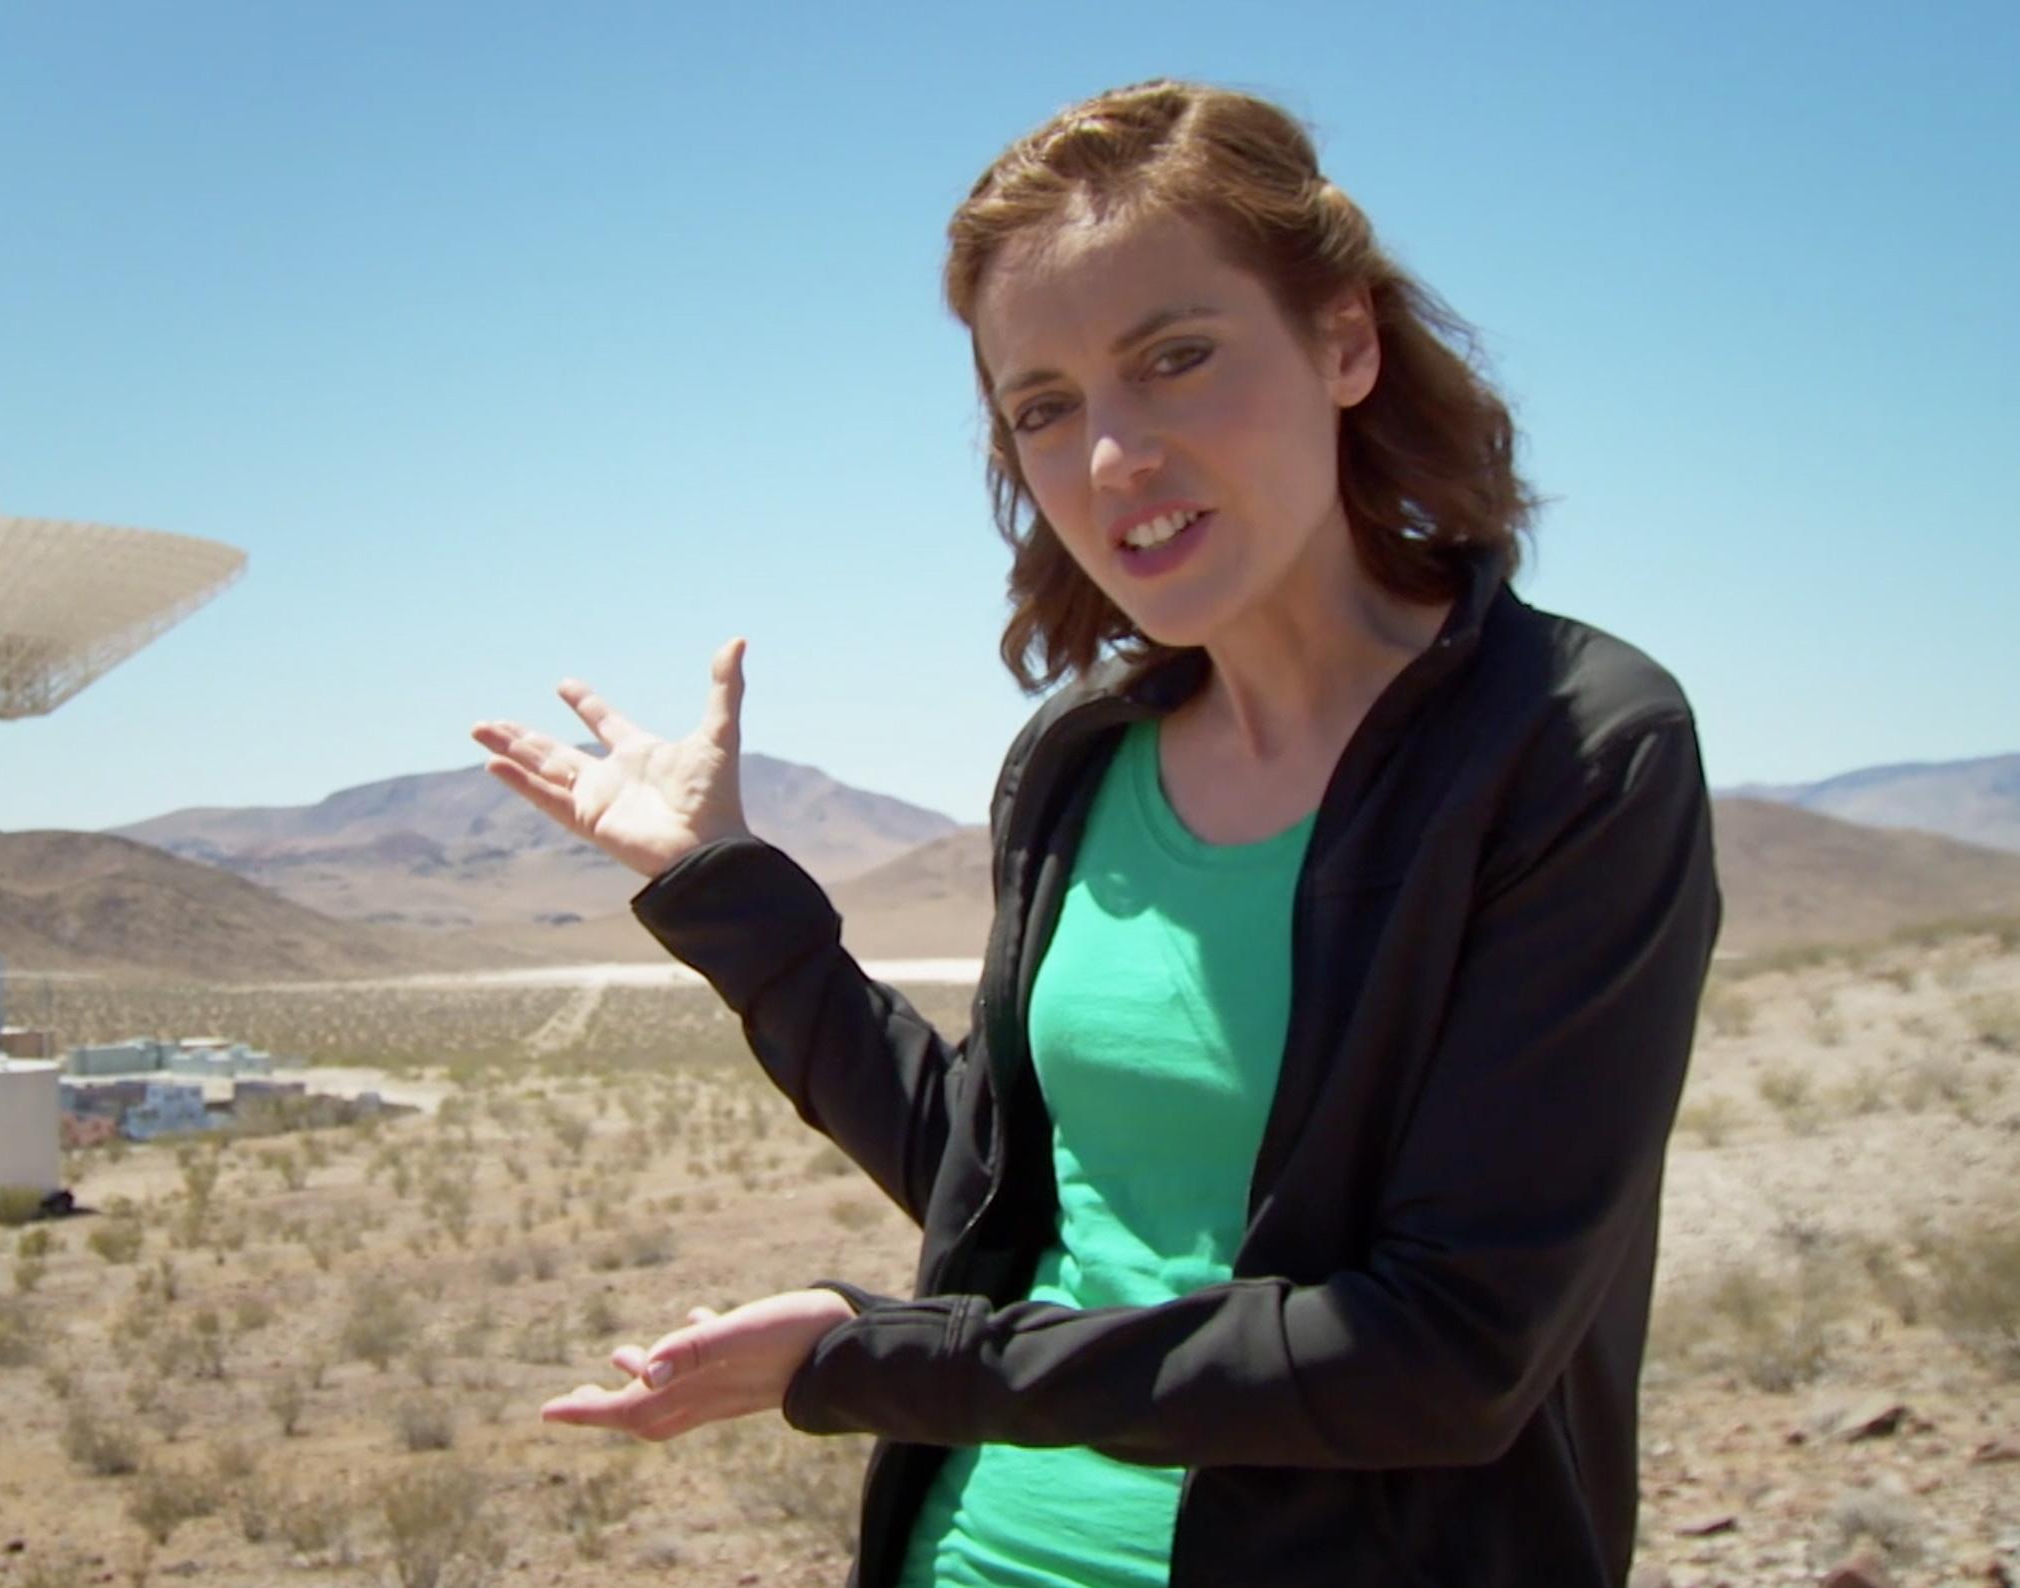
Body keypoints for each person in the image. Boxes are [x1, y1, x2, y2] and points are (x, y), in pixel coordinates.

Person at [468, 79, 1719, 1588]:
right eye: (1044, 408)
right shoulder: (1082, 760)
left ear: (1344, 342)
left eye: (1175, 358)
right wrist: (721, 894)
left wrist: (888, 1357)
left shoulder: (1569, 747)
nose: (1112, 456)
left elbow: (1447, 1356)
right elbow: (989, 1184)